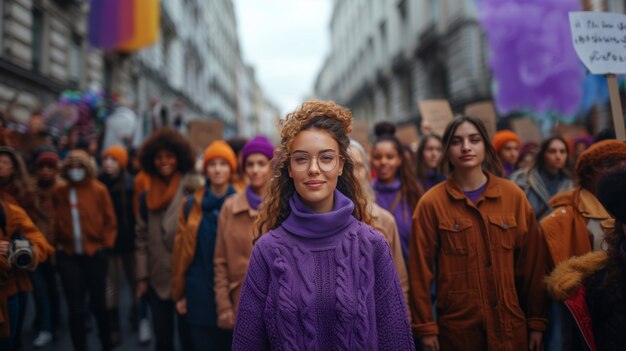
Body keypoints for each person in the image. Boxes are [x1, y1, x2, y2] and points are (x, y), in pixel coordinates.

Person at [232, 100, 414, 350]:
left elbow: (397, 341)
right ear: (290, 169)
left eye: (326, 158)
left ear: (340, 165)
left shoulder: (373, 245)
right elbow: (247, 344)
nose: (314, 169)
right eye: (301, 159)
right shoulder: (266, 251)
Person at [409, 115, 546, 351]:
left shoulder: (512, 196)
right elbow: (420, 273)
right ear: (447, 150)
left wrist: (536, 321)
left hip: (510, 328)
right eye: (456, 141)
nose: (466, 148)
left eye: (474, 140)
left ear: (486, 145)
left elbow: (532, 265)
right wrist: (425, 327)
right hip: (458, 331)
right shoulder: (432, 203)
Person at [540, 140, 626, 351]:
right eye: (612, 164)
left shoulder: (618, 201)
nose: (620, 169)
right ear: (591, 172)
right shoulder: (563, 217)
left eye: (623, 164)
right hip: (596, 299)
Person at [172, 140, 237, 350]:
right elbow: (182, 252)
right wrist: (180, 293)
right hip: (199, 294)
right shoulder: (190, 205)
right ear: (205, 168)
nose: (218, 169)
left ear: (231, 168)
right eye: (213, 164)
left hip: (233, 296)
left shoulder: (242, 204)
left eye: (223, 164)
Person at [135, 128, 196, 351]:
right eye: (159, 157)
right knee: (163, 340)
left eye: (169, 157)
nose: (164, 162)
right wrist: (142, 277)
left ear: (178, 159)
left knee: (189, 340)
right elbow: (140, 239)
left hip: (186, 279)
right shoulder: (145, 198)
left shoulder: (191, 193)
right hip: (157, 279)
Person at [52, 149, 117, 351]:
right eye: (71, 167)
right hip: (69, 256)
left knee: (99, 305)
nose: (75, 170)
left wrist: (105, 245)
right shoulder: (59, 191)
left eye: (79, 166)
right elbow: (53, 220)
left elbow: (110, 221)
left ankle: (106, 343)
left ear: (87, 168)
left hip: (95, 254)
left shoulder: (98, 190)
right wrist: (56, 247)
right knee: (75, 308)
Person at [213, 136, 274, 332]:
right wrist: (223, 306)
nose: (255, 170)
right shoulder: (230, 207)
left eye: (261, 164)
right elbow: (220, 261)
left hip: (277, 305)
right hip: (239, 302)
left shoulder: (283, 207)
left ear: (270, 166)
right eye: (250, 164)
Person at [348, 139, 408, 302]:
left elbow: (400, 284)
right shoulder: (321, 220)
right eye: (347, 167)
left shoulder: (385, 220)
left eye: (358, 167)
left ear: (367, 173)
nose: (352, 174)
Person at [0, 198, 53, 350]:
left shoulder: (10, 211)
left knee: (10, 344)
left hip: (9, 291)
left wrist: (25, 252)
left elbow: (39, 243)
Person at [98, 145, 137, 346]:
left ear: (121, 163)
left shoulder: (131, 185)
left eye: (113, 160)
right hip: (108, 245)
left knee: (135, 282)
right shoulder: (99, 185)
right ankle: (114, 326)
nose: (108, 164)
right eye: (106, 159)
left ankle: (138, 316)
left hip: (129, 242)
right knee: (109, 287)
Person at [371, 122, 422, 262]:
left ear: (399, 159)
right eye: (377, 157)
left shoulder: (413, 193)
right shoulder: (364, 195)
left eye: (390, 157)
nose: (383, 162)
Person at [29, 148, 62, 347]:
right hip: (35, 248)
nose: (46, 171)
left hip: (57, 247)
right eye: (42, 167)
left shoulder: (62, 190)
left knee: (54, 288)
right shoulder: (30, 193)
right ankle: (46, 327)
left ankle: (54, 323)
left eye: (50, 167)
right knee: (40, 290)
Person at [511, 136, 574, 220]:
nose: (558, 156)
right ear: (543, 154)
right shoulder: (522, 179)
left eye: (562, 152)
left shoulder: (571, 185)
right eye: (552, 151)